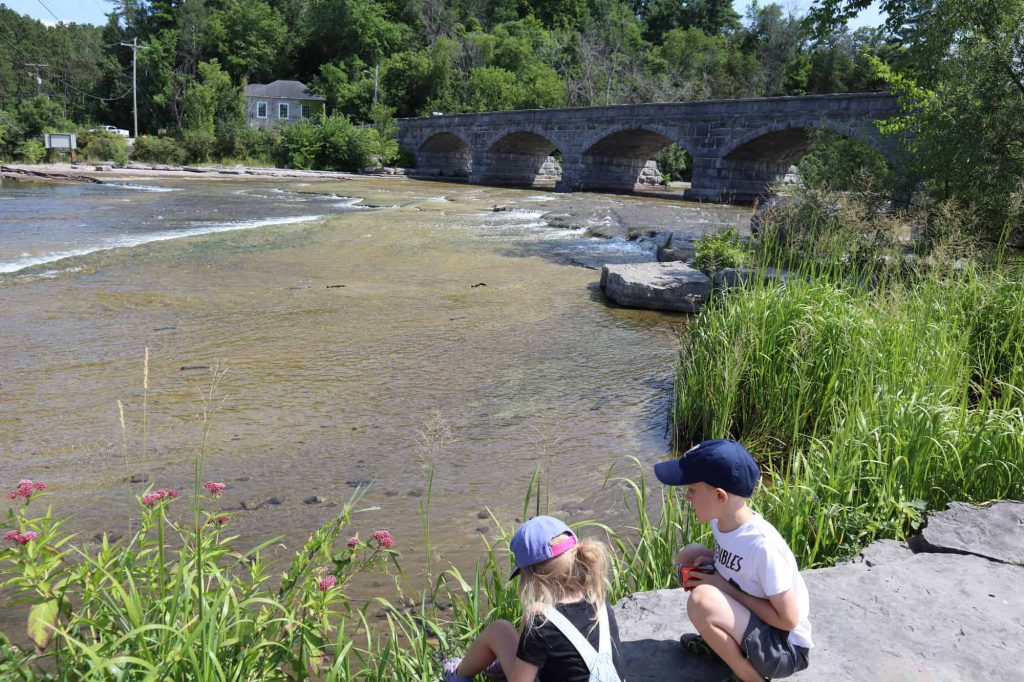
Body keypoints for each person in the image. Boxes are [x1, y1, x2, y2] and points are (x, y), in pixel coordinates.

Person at [654, 439, 812, 682]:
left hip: (783, 649)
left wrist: (720, 585)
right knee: (689, 554)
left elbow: (789, 619)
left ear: (720, 496)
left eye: (692, 490)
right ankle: (723, 646)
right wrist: (709, 570)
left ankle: (750, 676)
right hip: (758, 627)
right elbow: (736, 570)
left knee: (702, 601)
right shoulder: (722, 524)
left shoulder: (762, 547)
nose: (687, 497)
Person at [441, 515, 623, 682]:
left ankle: (458, 675)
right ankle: (512, 661)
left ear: (532, 578)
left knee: (500, 629)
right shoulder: (601, 606)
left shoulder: (540, 621)